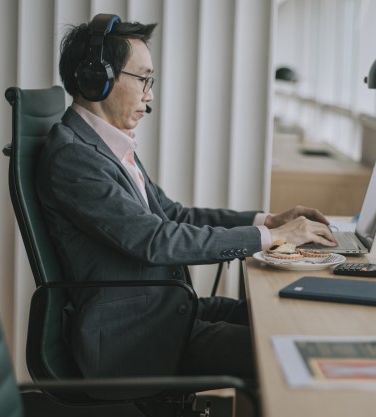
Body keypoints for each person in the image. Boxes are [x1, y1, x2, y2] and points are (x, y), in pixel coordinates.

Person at [36, 14, 336, 382]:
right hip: (134, 340)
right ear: (97, 79)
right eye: (143, 78)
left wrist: (266, 222)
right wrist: (275, 239)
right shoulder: (74, 157)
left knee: (287, 317)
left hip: (165, 314)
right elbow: (154, 240)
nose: (150, 93)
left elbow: (173, 215)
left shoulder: (104, 145)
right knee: (288, 355)